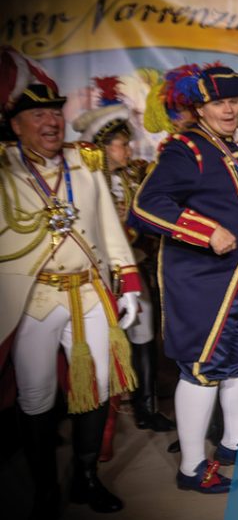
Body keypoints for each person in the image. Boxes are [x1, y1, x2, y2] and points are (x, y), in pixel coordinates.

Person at [0, 49, 140, 516]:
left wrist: (129, 281)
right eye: (38, 114)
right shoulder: (5, 168)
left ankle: (86, 478)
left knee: (96, 386)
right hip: (34, 298)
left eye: (56, 113)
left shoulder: (85, 162)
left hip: (90, 291)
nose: (51, 122)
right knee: (36, 394)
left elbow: (109, 226)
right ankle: (44, 488)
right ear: (15, 124)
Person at [131, 64, 238, 493]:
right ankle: (192, 468)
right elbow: (145, 205)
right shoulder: (186, 150)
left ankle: (234, 445)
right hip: (203, 282)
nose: (229, 109)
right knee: (202, 369)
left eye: (233, 101)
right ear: (199, 108)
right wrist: (206, 231)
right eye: (219, 103)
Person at [71, 81, 176, 466]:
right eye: (121, 144)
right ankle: (102, 427)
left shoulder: (134, 177)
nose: (128, 149)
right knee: (102, 350)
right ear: (101, 145)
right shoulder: (83, 181)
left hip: (134, 268)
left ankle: (146, 407)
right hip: (96, 278)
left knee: (144, 337)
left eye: (128, 143)